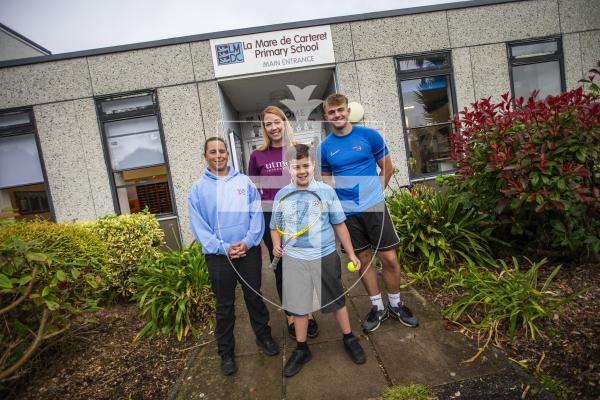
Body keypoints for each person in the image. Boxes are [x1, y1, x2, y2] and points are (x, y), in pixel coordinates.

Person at [318, 94, 419, 333]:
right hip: (348, 214)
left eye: (340, 110)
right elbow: (326, 181)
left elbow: (388, 167)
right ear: (326, 116)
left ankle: (396, 304)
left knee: (390, 259)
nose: (337, 115)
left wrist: (374, 194)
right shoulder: (325, 147)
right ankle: (377, 308)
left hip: (374, 208)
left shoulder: (369, 136)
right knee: (363, 260)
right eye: (332, 113)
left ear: (347, 110)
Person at [271, 143, 366, 377]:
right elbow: (275, 226)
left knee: (336, 300)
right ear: (289, 168)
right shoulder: (282, 195)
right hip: (294, 259)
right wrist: (275, 243)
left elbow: (339, 224)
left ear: (313, 165)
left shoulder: (326, 191)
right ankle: (302, 349)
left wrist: (351, 253)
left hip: (324, 255)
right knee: (299, 306)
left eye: (306, 165)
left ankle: (348, 338)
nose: (302, 170)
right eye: (296, 167)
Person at [188, 137, 279, 376]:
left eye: (222, 151)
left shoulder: (244, 182)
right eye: (212, 152)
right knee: (224, 306)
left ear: (227, 154)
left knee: (254, 297)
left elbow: (256, 214)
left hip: (248, 252)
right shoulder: (198, 189)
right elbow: (200, 228)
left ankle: (264, 337)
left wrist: (248, 242)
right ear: (205, 156)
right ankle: (226, 353)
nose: (218, 155)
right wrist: (224, 247)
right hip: (219, 257)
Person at [247, 105, 319, 339]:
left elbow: (309, 181)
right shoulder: (257, 155)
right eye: (268, 123)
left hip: (299, 214)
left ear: (283, 124)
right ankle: (291, 313)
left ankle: (308, 314)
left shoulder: (297, 150)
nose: (273, 127)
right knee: (282, 269)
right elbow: (252, 190)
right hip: (273, 217)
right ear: (264, 128)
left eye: (276, 122)